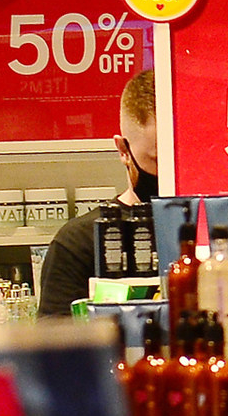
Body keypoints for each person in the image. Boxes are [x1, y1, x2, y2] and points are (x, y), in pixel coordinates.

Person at [37, 70, 159, 317]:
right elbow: (59, 348)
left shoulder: (216, 228)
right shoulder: (78, 244)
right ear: (123, 150)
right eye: (157, 160)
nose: (173, 172)